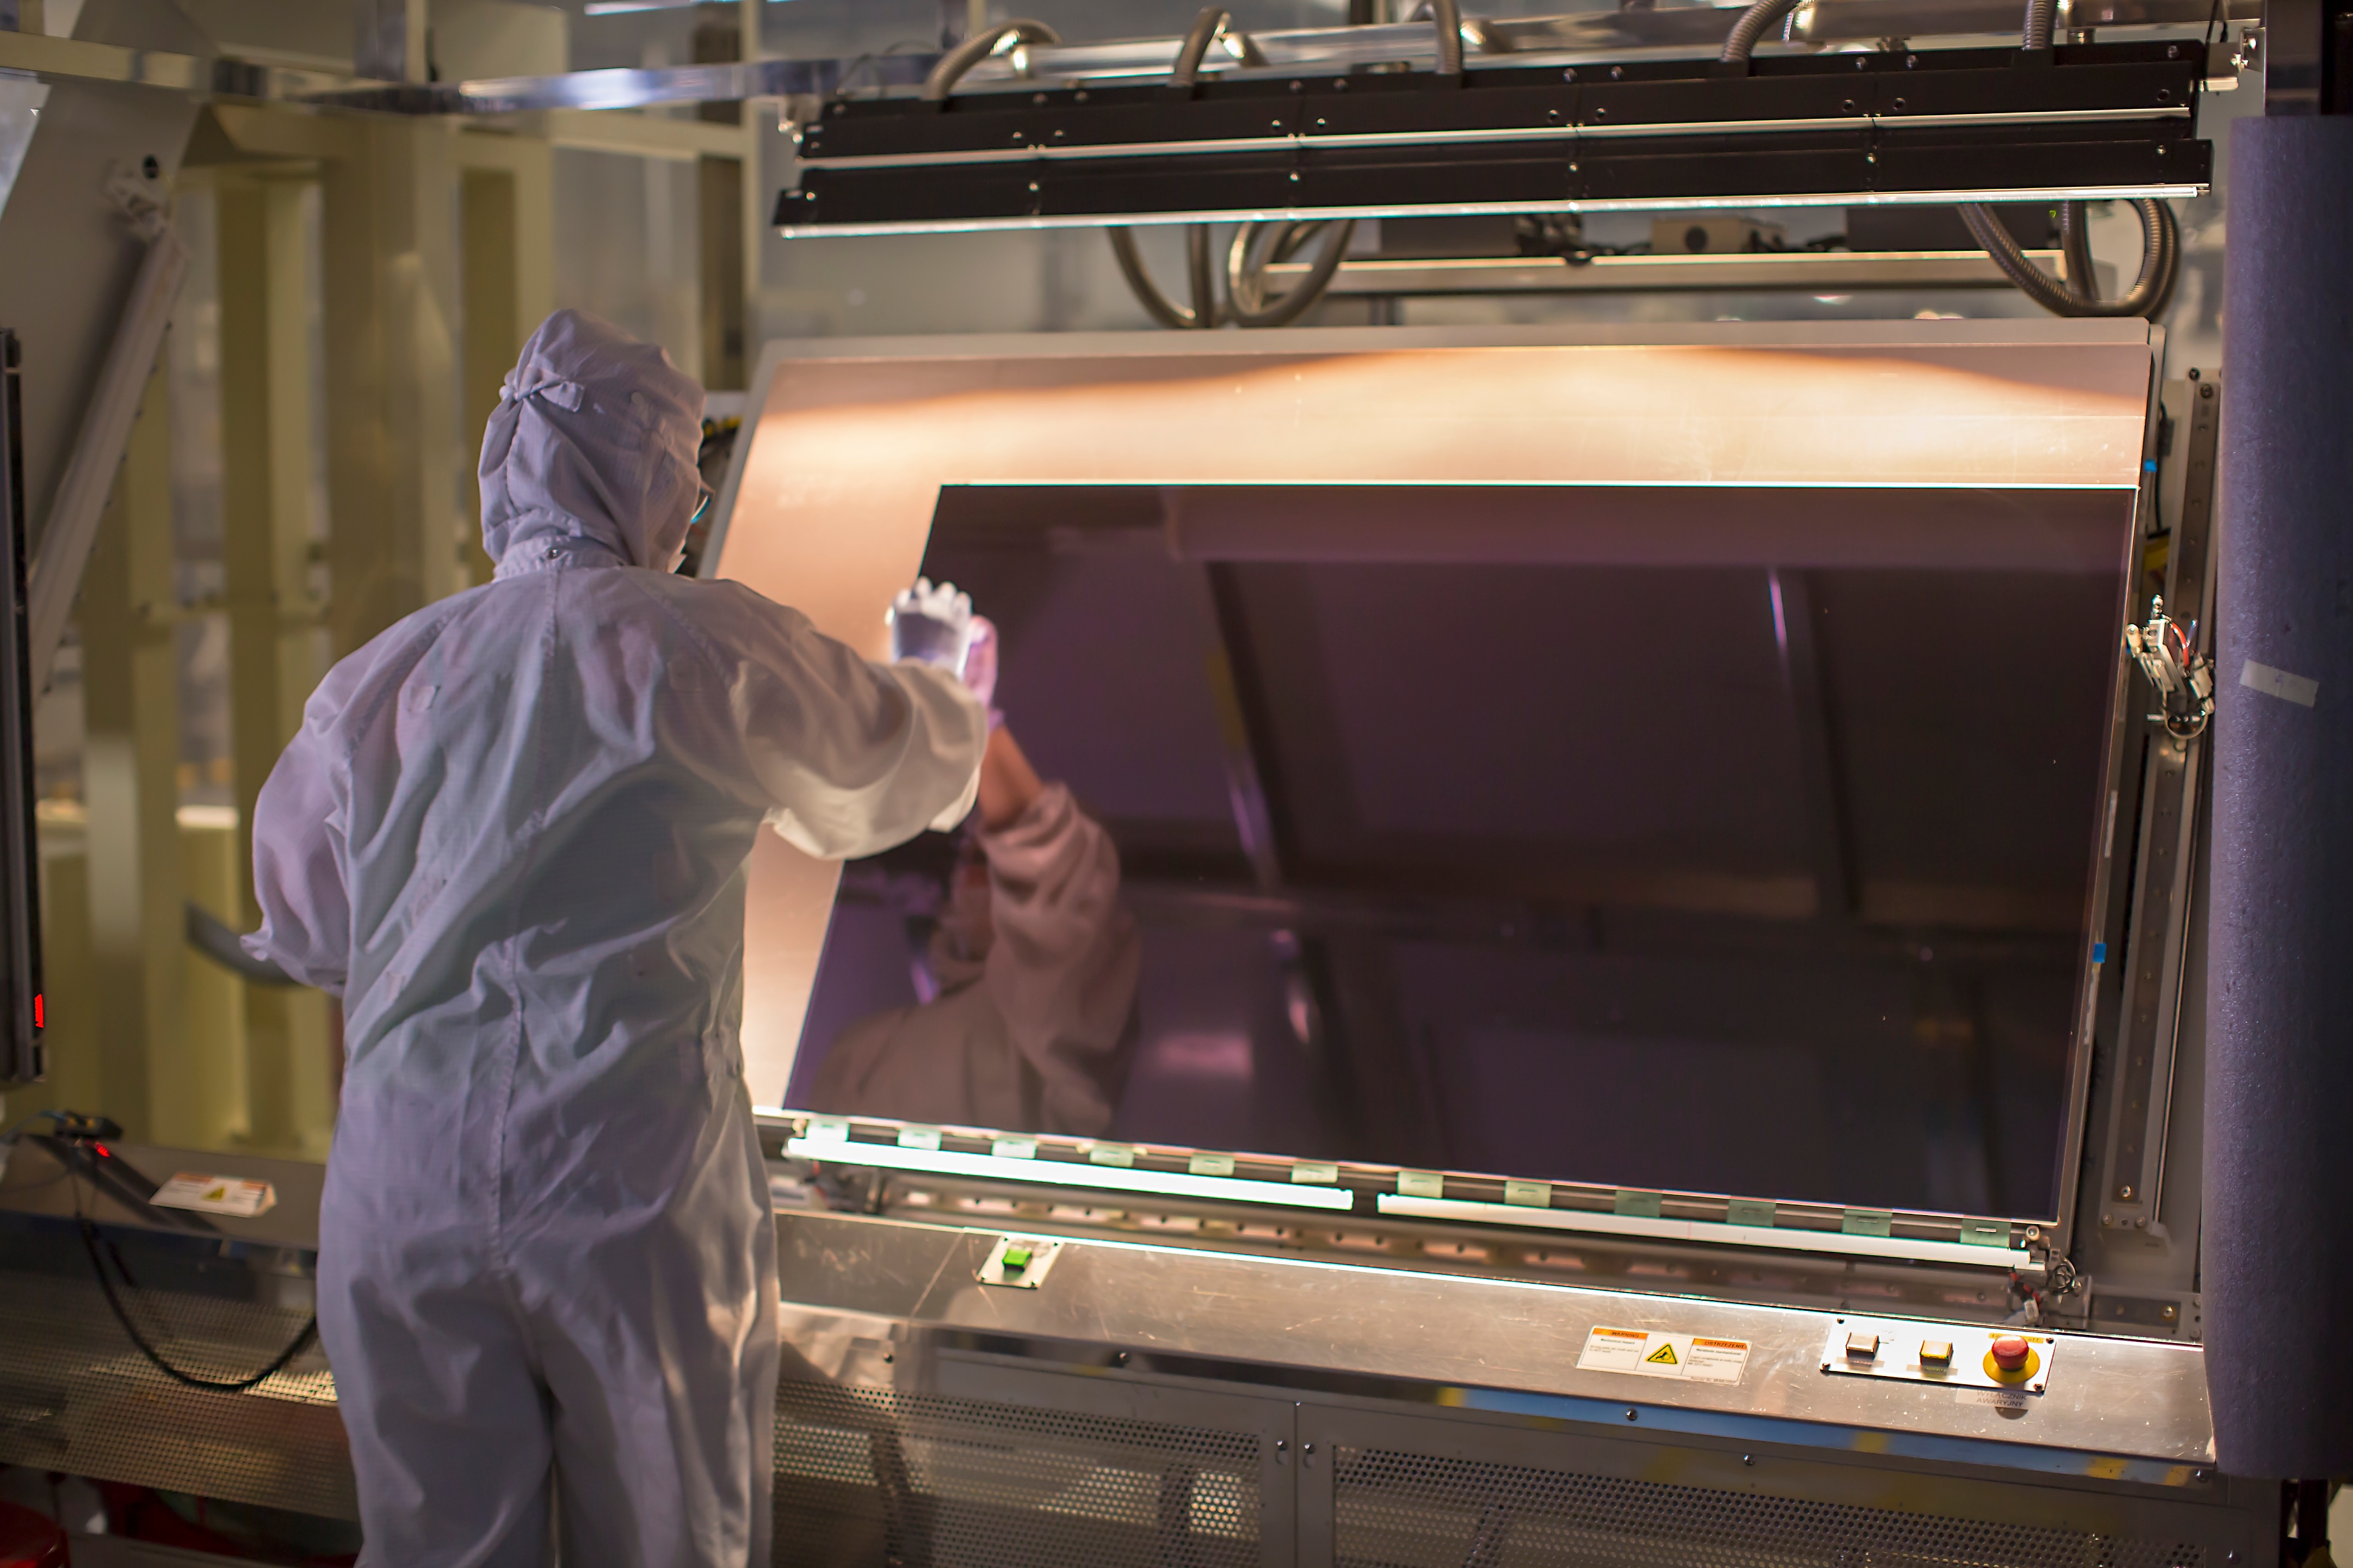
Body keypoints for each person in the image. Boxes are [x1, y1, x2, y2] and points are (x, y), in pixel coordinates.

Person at [242, 309, 991, 1567]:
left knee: (437, 1548)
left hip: (403, 1186)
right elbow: (886, 775)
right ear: (649, 482)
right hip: (619, 1189)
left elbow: (311, 923)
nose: (687, 522)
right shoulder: (701, 643)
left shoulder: (384, 676)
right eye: (685, 493)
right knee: (667, 1540)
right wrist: (938, 673)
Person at [804, 706, 1142, 1138]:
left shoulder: (1067, 1020)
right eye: (968, 855)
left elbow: (1052, 866)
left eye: (991, 861)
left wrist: (972, 719)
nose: (965, 875)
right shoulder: (870, 1046)